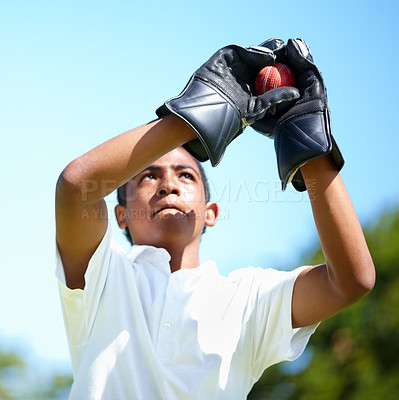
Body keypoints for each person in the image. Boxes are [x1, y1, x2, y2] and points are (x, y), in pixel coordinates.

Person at [55, 38, 375, 399]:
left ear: (211, 213)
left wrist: (307, 142)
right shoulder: (103, 278)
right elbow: (75, 185)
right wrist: (200, 115)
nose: (168, 185)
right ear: (121, 215)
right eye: (148, 175)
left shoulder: (246, 299)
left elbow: (351, 281)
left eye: (186, 175)